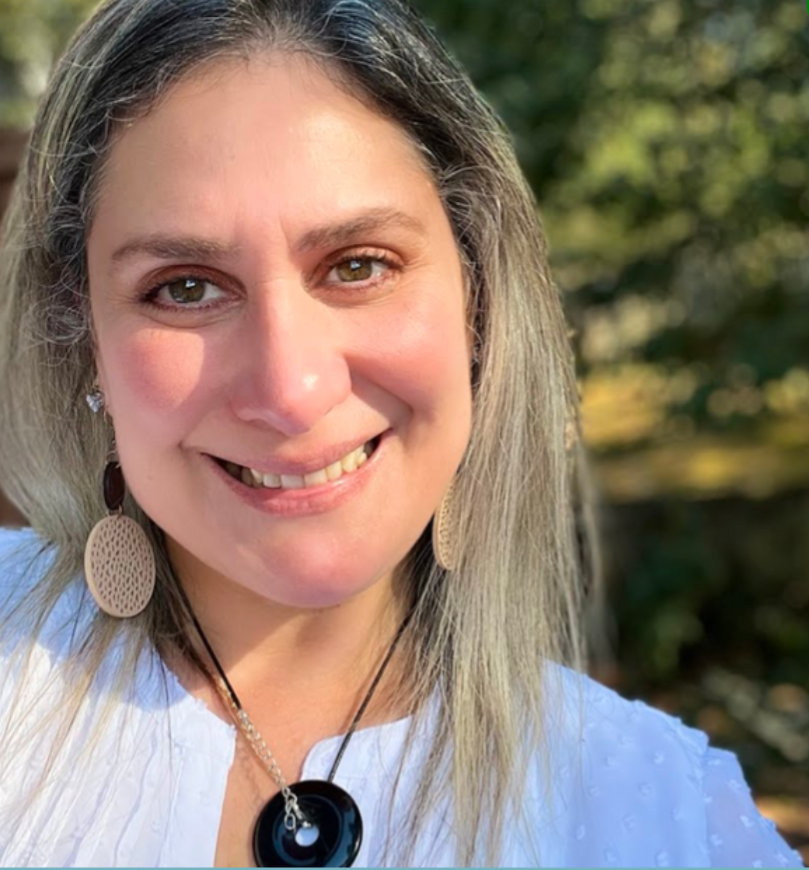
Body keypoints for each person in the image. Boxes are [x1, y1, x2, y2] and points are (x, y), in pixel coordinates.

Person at [0, 0, 802, 867]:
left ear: (478, 304)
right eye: (185, 288)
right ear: (80, 340)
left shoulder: (670, 817)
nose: (292, 391)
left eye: (357, 266)